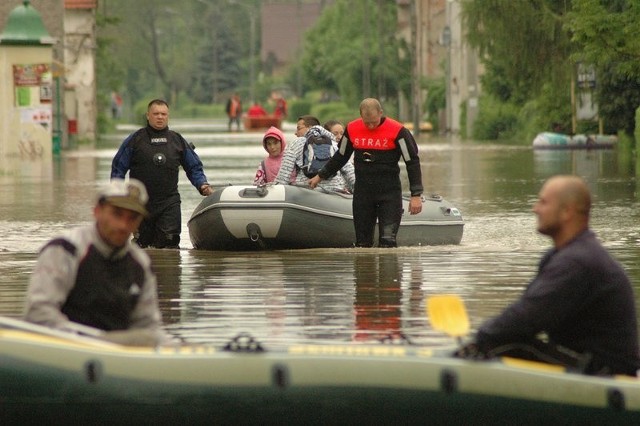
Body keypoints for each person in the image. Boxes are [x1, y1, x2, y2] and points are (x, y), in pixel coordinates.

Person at [458, 175, 640, 376]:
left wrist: (479, 337)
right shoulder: (561, 256)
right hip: (584, 363)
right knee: (501, 340)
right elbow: (526, 311)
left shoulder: (577, 261)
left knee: (506, 345)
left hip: (606, 374)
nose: (535, 208)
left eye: (543, 202)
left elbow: (525, 319)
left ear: (566, 212)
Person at [23, 179, 169, 346]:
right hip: (65, 350)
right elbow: (40, 312)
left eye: (133, 218)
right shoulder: (65, 250)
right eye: (117, 214)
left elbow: (148, 325)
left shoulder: (141, 264)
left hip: (118, 356)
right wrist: (92, 344)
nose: (123, 225)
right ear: (97, 211)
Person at [309, 98, 423, 247]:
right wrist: (320, 176)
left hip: (389, 194)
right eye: (366, 122)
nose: (370, 126)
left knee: (387, 242)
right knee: (362, 244)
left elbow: (412, 162)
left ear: (381, 113)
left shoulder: (399, 131)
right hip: (363, 194)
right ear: (360, 115)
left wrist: (416, 194)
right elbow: (341, 157)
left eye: (374, 122)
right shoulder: (351, 129)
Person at [111, 99, 213, 249]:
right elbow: (118, 168)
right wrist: (117, 195)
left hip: (169, 204)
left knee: (169, 247)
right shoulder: (135, 140)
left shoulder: (177, 140)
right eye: (156, 113)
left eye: (163, 114)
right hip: (140, 205)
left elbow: (194, 167)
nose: (160, 117)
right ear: (148, 115)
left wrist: (202, 185)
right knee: (142, 246)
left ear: (168, 116)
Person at [275, 115, 355, 193]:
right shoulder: (334, 144)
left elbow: (283, 176)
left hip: (307, 192)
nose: (296, 133)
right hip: (334, 192)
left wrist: (275, 190)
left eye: (298, 128)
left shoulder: (296, 143)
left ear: (309, 127)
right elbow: (349, 172)